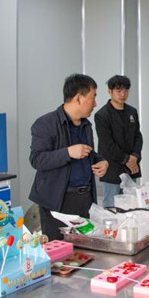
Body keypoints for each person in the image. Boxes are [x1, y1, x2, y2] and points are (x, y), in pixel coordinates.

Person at [29, 74, 108, 240]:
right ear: (78, 98)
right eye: (93, 97)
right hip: (57, 202)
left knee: (85, 248)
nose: (95, 104)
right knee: (59, 251)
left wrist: (101, 161)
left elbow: (88, 153)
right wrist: (68, 153)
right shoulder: (46, 123)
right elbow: (37, 159)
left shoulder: (86, 125)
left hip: (85, 200)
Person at [94, 75, 143, 208]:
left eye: (126, 90)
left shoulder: (132, 111)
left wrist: (135, 156)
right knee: (111, 206)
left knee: (131, 205)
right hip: (113, 167)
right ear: (110, 91)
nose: (123, 94)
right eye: (119, 90)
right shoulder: (102, 115)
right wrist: (128, 159)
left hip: (131, 167)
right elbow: (107, 144)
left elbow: (138, 136)